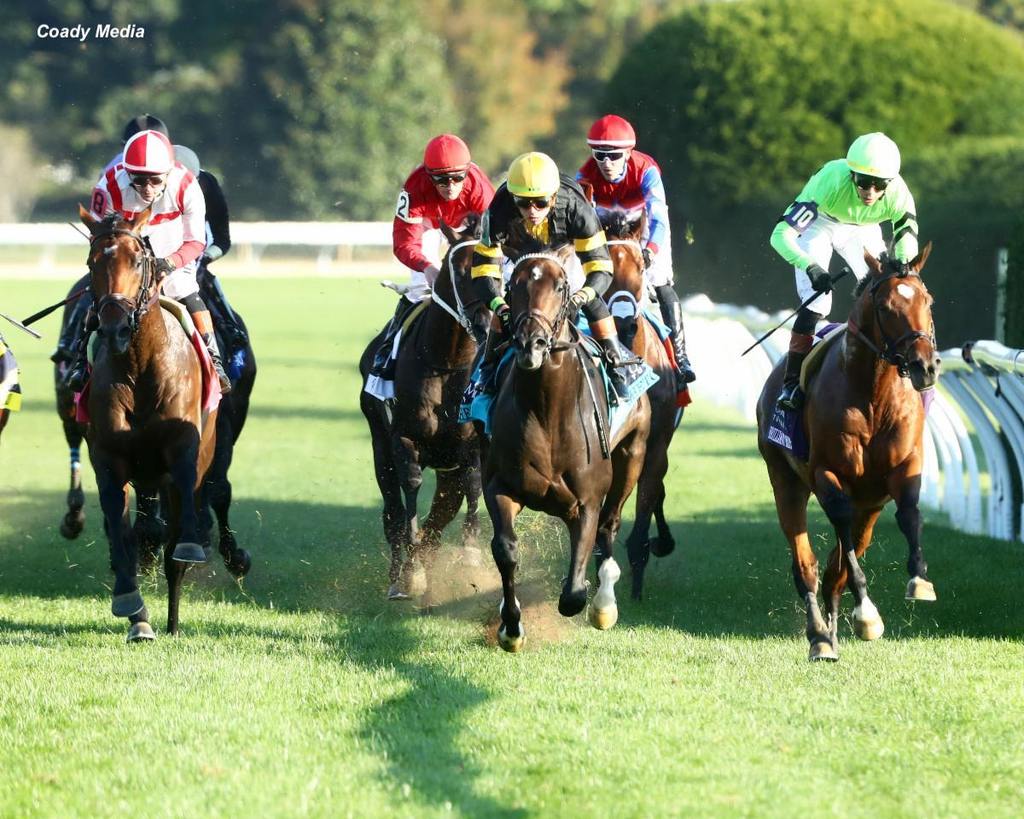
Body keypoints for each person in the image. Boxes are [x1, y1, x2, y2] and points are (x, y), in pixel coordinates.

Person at [65, 129, 232, 393]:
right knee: (104, 297)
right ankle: (80, 362)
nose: (147, 188)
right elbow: (99, 236)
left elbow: (196, 242)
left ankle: (214, 360)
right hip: (126, 240)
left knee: (184, 290)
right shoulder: (108, 187)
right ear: (126, 172)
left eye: (155, 180)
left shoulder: (187, 186)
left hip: (171, 239)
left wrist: (170, 263)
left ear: (168, 172)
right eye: (139, 180)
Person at [470, 151, 646, 399]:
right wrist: (500, 305)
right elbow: (482, 271)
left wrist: (581, 296)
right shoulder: (499, 210)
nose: (532, 210)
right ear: (513, 198)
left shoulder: (577, 209)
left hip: (566, 249)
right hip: (521, 254)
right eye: (523, 203)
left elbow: (600, 268)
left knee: (590, 299)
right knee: (511, 300)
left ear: (553, 198)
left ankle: (615, 365)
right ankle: (488, 368)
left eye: (540, 202)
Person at [770, 131, 919, 410]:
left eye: (879, 185)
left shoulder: (899, 194)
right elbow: (779, 236)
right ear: (852, 175)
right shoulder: (830, 182)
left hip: (862, 230)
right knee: (818, 302)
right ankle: (790, 385)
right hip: (819, 224)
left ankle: (906, 368)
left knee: (890, 291)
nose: (870, 192)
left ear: (890, 182)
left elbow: (906, 239)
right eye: (863, 182)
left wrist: (902, 264)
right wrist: (810, 266)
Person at [578, 114, 696, 388]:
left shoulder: (647, 170)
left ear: (629, 153)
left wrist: (651, 250)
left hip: (643, 227)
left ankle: (681, 358)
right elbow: (581, 223)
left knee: (661, 283)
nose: (607, 163)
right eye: (600, 155)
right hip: (603, 229)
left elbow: (659, 219)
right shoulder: (584, 176)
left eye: (614, 156)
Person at [368, 134, 496, 381]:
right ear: (429, 176)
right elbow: (404, 243)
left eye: (457, 178)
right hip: (428, 225)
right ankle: (390, 347)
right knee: (420, 288)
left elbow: (497, 237)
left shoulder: (479, 188)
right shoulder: (415, 188)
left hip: (469, 229)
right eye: (441, 180)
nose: (450, 186)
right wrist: (426, 267)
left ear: (467, 173)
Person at [173, 144, 248, 354]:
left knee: (232, 324)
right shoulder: (147, 184)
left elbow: (223, 240)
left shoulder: (208, 185)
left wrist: (205, 258)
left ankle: (228, 342)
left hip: (193, 264)